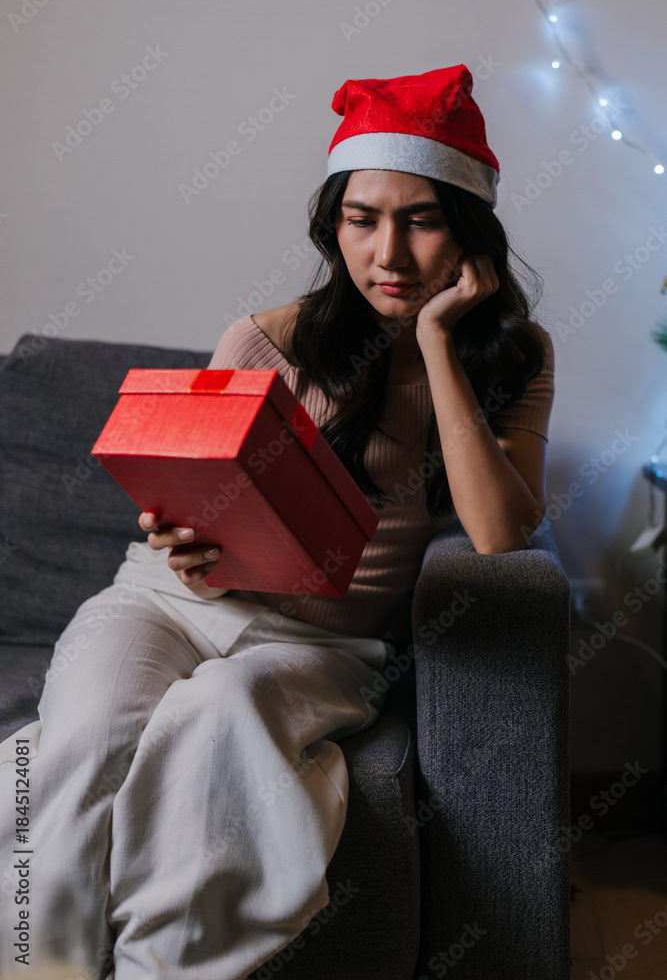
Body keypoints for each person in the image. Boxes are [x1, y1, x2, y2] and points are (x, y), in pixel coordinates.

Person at [0, 64, 554, 979]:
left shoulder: (516, 357)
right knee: (85, 733)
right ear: (332, 225)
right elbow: (197, 499)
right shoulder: (266, 339)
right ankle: (40, 966)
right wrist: (185, 539)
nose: (388, 254)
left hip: (323, 643)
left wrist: (437, 350)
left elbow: (500, 536)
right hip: (174, 603)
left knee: (219, 713)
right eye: (360, 218)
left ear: (467, 229)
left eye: (420, 220)